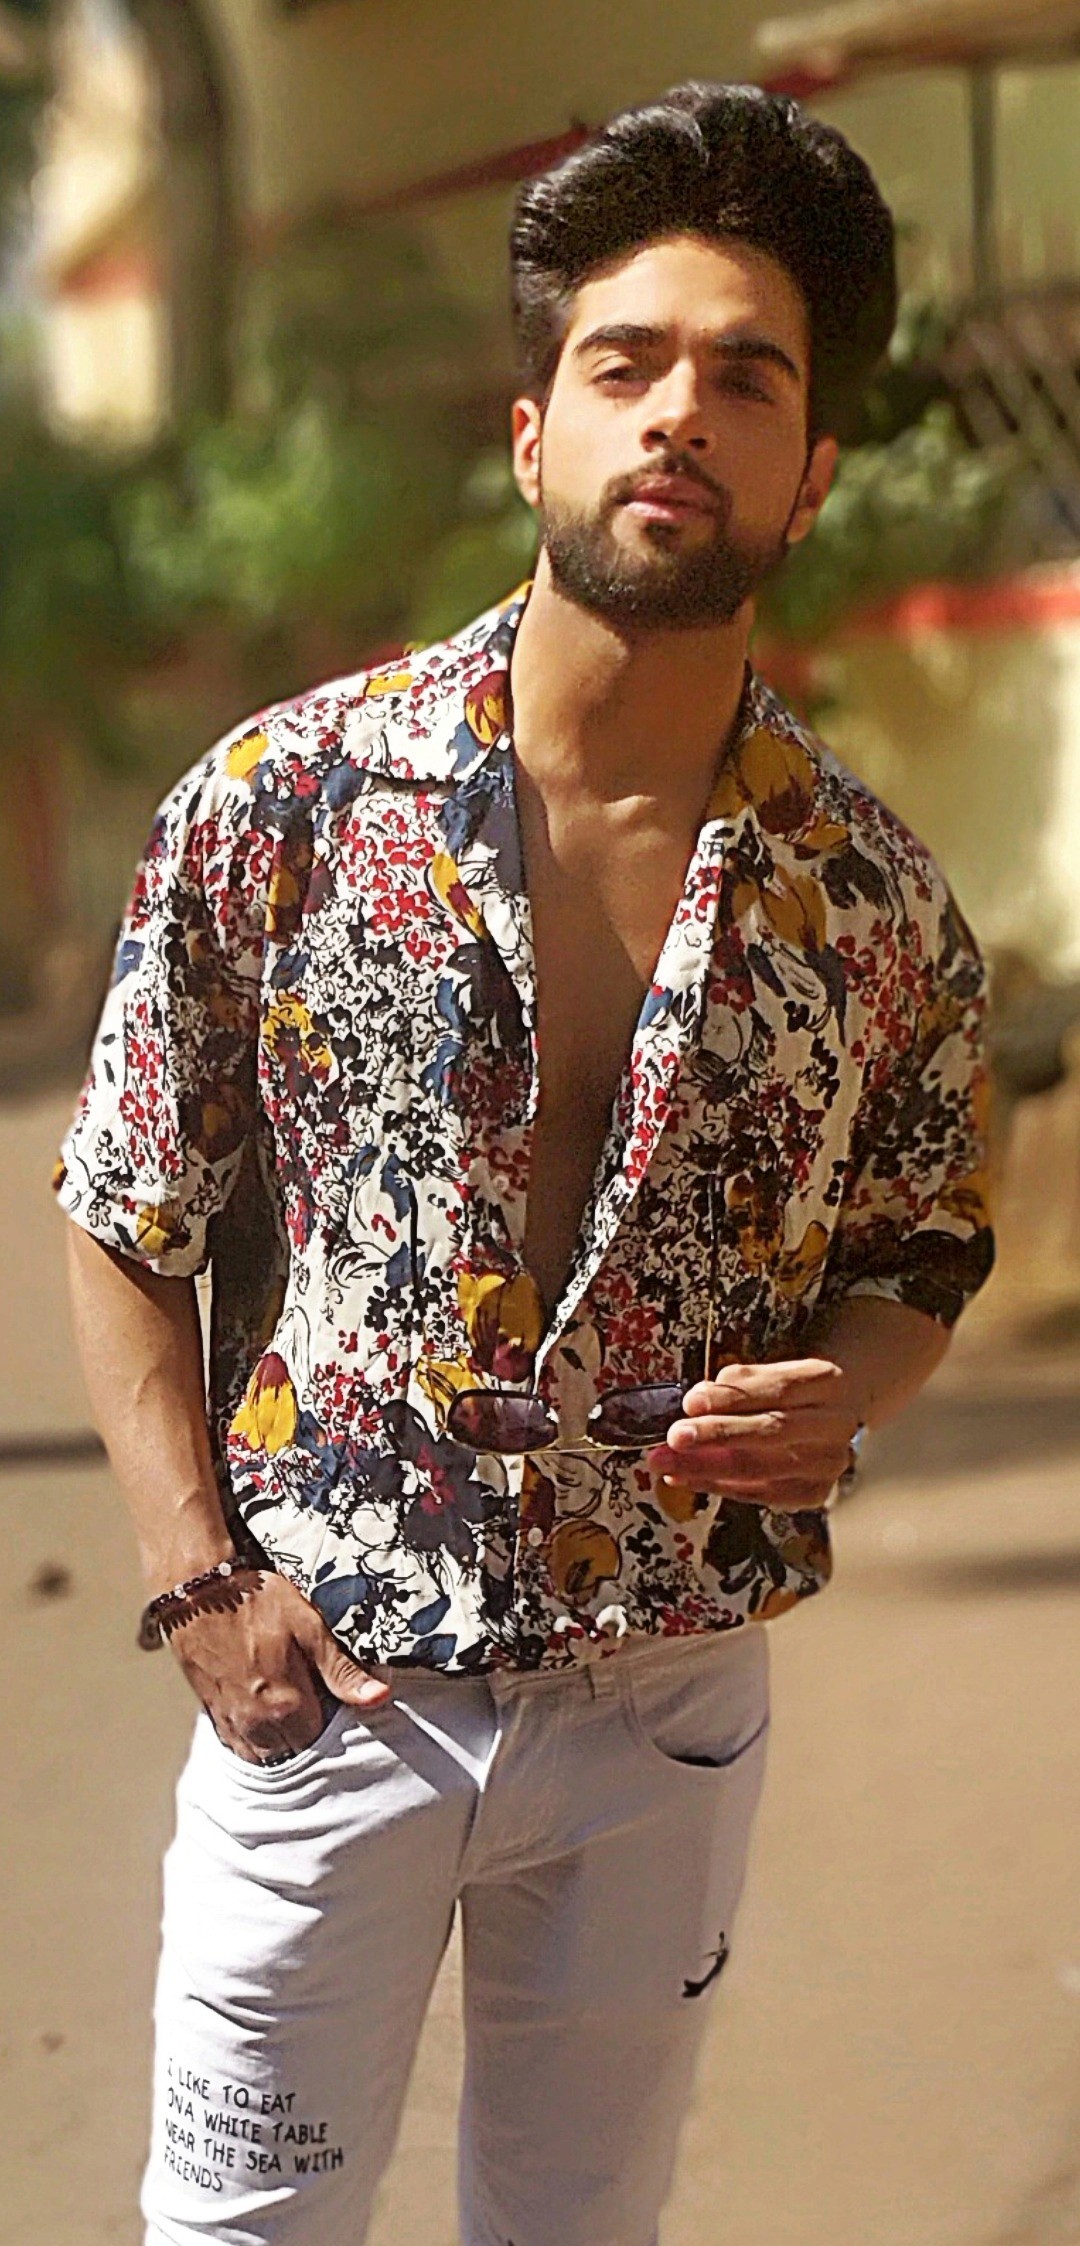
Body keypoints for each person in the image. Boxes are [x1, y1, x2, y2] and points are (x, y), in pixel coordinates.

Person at [57, 81, 994, 2246]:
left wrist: (846, 1390)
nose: (679, 414)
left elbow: (927, 1243)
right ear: (530, 435)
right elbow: (123, 1207)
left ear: (810, 474)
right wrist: (198, 1578)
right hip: (331, 1683)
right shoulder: (284, 806)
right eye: (625, 363)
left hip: (668, 1697)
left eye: (746, 379)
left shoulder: (870, 905)